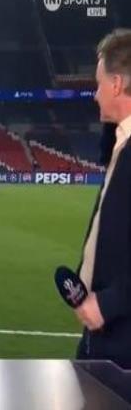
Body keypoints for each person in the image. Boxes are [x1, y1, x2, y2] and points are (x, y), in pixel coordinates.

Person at [76, 29, 131, 368]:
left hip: (122, 342)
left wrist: (108, 303)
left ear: (116, 84)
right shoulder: (120, 144)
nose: (95, 95)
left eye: (99, 85)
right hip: (101, 335)